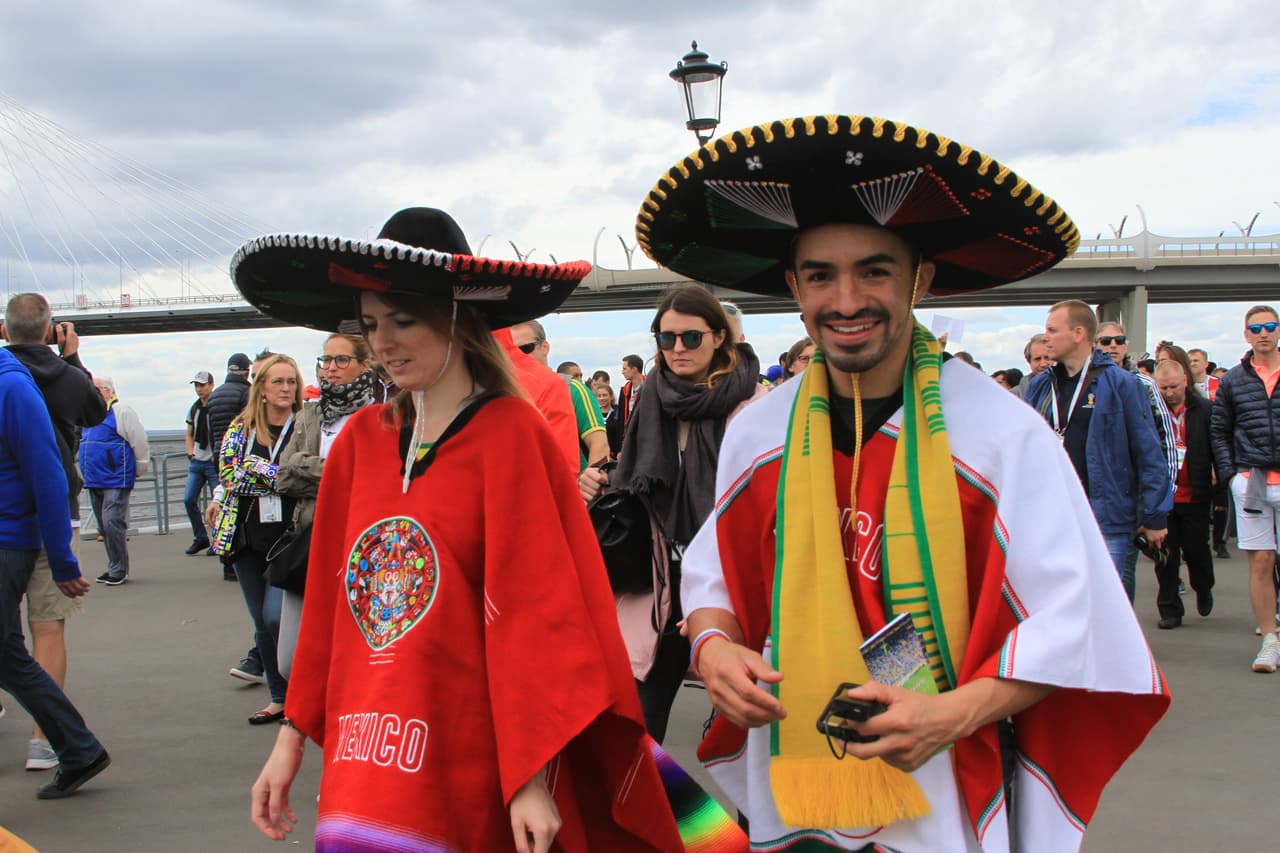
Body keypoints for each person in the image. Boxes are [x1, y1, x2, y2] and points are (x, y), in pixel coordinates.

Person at [635, 114, 1169, 850]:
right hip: (792, 777)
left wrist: (953, 711)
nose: (847, 298)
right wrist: (716, 648)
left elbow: (1076, 623)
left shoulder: (1002, 437)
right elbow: (713, 582)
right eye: (821, 274)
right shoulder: (759, 433)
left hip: (940, 777)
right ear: (794, 286)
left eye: (875, 270)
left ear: (921, 278)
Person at [233, 206, 685, 851]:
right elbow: (333, 603)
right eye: (370, 325)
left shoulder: (510, 433)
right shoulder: (361, 443)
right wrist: (291, 740)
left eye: (403, 320)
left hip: (472, 745)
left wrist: (528, 775)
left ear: (458, 317)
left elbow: (539, 609)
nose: (382, 343)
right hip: (368, 747)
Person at [579, 283, 766, 744]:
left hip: (731, 591)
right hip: (659, 589)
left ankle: (735, 821)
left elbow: (765, 511)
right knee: (637, 736)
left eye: (691, 337)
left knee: (743, 738)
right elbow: (640, 478)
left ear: (720, 337)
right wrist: (601, 479)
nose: (677, 349)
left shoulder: (754, 406)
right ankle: (678, 820)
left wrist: (715, 600)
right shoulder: (651, 402)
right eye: (666, 339)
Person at [0, 347, 110, 799]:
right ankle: (78, 748)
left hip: (9, 540)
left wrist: (63, 560)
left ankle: (75, 747)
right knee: (8, 653)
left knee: (13, 650)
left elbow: (49, 472)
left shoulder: (12, 386)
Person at [1027, 301, 1172, 603]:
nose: (1046, 338)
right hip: (1054, 517)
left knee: (1108, 604)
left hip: (1108, 517)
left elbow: (1147, 450)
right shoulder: (1041, 386)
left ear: (1078, 333)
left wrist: (1155, 514)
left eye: (1053, 330)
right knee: (1061, 602)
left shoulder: (1121, 384)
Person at [273, 334, 378, 679]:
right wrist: (338, 471)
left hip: (360, 549)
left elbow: (371, 477)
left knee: (353, 652)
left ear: (365, 365)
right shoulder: (310, 414)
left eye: (341, 360)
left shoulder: (379, 414)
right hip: (309, 542)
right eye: (325, 360)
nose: (330, 368)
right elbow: (283, 476)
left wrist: (313, 467)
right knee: (290, 661)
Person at [206, 354, 301, 724]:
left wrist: (258, 470)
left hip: (289, 537)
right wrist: (281, 474)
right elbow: (229, 473)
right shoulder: (241, 427)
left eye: (291, 382)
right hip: (246, 537)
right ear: (260, 388)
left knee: (277, 617)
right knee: (261, 623)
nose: (285, 389)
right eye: (278, 382)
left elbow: (307, 471)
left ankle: (301, 692)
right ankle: (279, 698)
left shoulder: (304, 424)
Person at [1210, 305, 1280, 671]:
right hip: (1250, 479)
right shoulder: (1234, 379)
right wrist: (1229, 475)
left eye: (1269, 326)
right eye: (1256, 328)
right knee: (1261, 562)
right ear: (1246, 335)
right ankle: (1270, 639)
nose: (1263, 333)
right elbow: (1219, 430)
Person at [1151, 360, 1215, 628]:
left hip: (1195, 491)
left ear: (1186, 381)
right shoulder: (1152, 411)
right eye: (1163, 387)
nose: (1169, 392)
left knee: (1196, 550)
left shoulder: (1205, 410)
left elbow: (1216, 443)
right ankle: (1170, 609)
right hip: (1164, 495)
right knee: (1165, 556)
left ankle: (1203, 586)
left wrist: (1217, 473)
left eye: (1174, 386)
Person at [78, 377, 150, 586]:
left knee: (112, 522)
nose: (93, 393)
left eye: (97, 389)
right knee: (103, 526)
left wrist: (140, 466)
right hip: (94, 478)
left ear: (109, 391)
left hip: (116, 477)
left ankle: (120, 569)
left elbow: (139, 440)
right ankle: (114, 566)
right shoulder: (87, 415)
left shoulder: (121, 412)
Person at [514, 320, 608, 472]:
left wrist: (589, 490)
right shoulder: (507, 394)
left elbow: (599, 444)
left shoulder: (573, 389)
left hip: (573, 488)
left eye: (525, 349)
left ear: (545, 348)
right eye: (511, 351)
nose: (518, 357)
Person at [183, 370, 218, 555]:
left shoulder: (217, 406)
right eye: (196, 385)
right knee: (189, 499)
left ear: (211, 385)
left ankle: (218, 540)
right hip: (197, 462)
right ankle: (201, 537)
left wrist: (218, 455)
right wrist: (191, 454)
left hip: (213, 463)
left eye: (202, 385)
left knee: (218, 502)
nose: (199, 389)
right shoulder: (194, 408)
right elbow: (189, 433)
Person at [1011, 332, 1051, 399]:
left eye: (1047, 358)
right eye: (1037, 359)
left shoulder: (1070, 391)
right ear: (1029, 362)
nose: (1043, 364)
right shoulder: (1014, 396)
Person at [619, 353, 645, 431]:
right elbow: (621, 419)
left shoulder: (652, 388)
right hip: (629, 435)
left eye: (625, 369)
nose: (622, 372)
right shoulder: (624, 391)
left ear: (634, 369)